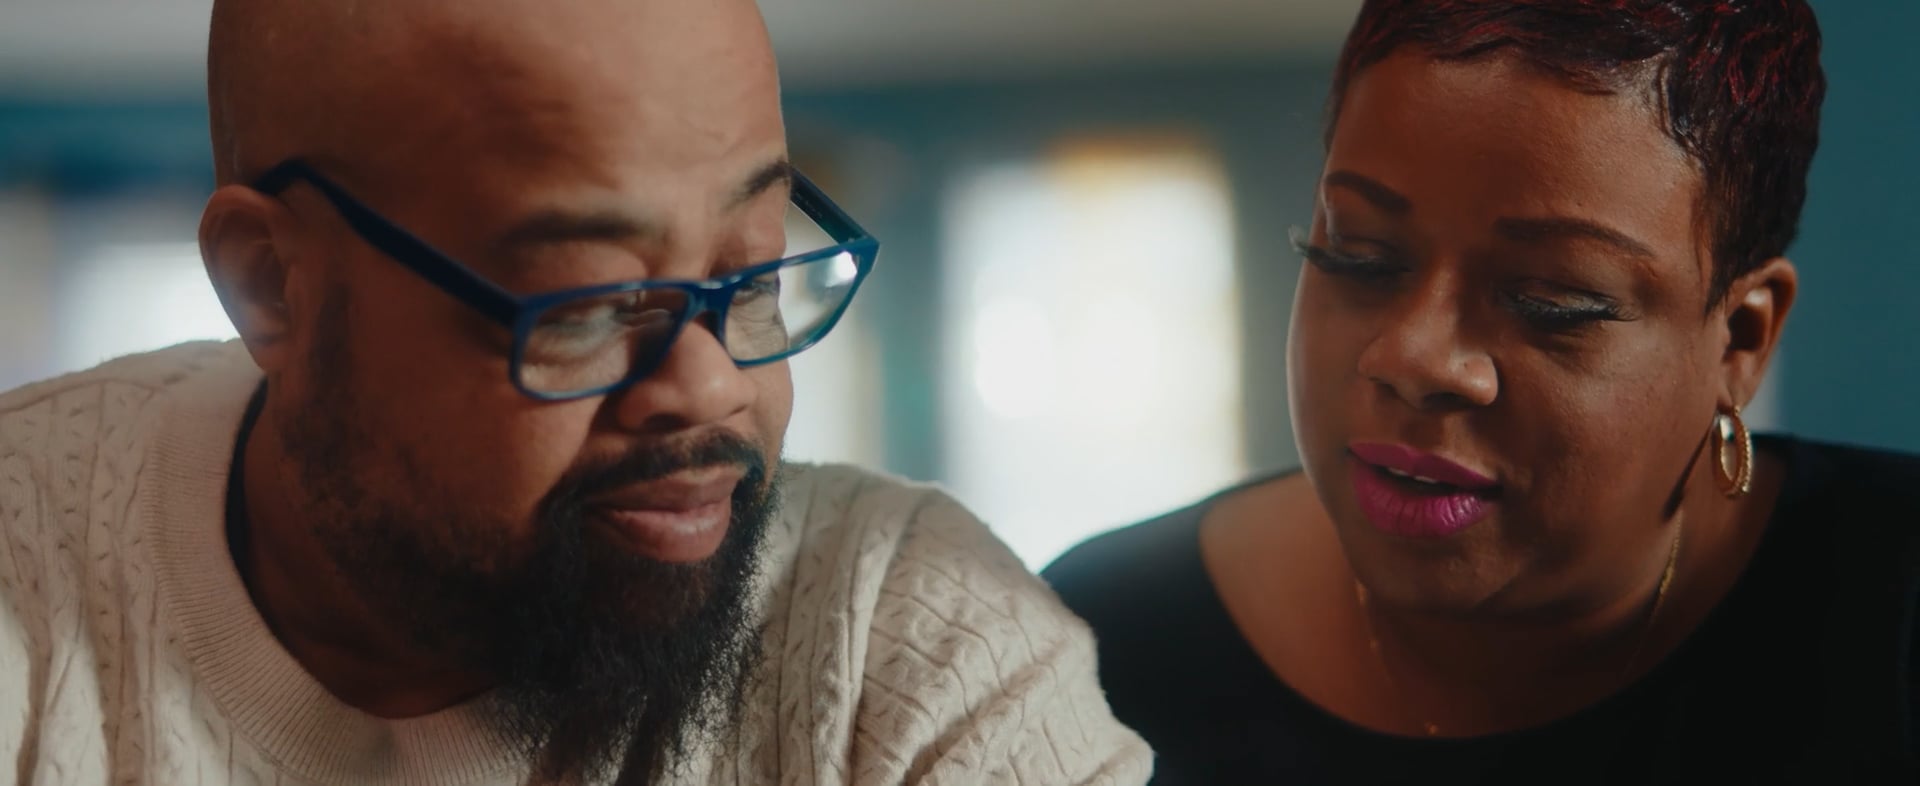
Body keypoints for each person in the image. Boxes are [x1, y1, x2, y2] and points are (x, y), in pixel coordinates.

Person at [0, 0, 1152, 783]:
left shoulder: (911, 658)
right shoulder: (25, 569)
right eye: (590, 304)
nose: (710, 388)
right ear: (272, 286)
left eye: (749, 269)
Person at [1046, 0, 1919, 783]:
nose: (1415, 358)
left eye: (1553, 301)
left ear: (1740, 339)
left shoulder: (1894, 609)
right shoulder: (1090, 644)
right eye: (1359, 256)